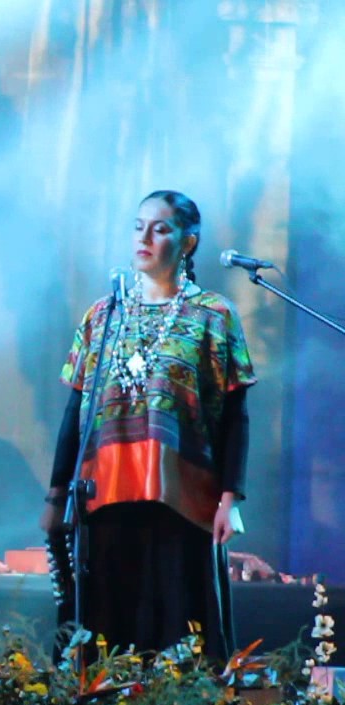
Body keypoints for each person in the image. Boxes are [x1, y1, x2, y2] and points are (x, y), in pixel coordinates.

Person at [41, 190, 254, 658]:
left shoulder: (213, 315)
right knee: (104, 635)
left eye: (160, 228)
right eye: (139, 226)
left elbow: (236, 414)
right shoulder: (103, 314)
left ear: (188, 243)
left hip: (181, 501)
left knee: (177, 632)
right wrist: (57, 497)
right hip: (104, 498)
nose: (145, 237)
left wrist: (230, 499)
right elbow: (75, 411)